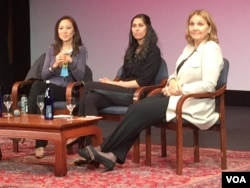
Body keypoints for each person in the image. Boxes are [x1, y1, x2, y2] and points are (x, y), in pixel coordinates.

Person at [77, 9, 224, 172]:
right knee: (136, 109)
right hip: (174, 96)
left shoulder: (212, 49)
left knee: (139, 109)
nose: (195, 28)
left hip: (192, 102)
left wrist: (179, 89)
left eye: (200, 24)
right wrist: (173, 81)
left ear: (209, 28)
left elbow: (209, 85)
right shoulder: (189, 48)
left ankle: (103, 150)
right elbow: (175, 73)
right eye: (192, 24)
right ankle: (111, 155)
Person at [77, 13, 162, 116]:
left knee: (89, 85)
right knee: (91, 98)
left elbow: (143, 81)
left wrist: (114, 84)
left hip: (137, 93)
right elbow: (123, 76)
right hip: (122, 91)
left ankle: (77, 126)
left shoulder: (154, 51)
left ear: (148, 28)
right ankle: (88, 132)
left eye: (140, 25)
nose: (136, 29)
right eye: (134, 26)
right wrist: (113, 83)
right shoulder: (131, 50)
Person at [27, 15, 87, 158]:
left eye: (68, 28)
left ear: (74, 32)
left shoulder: (81, 50)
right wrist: (54, 66)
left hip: (66, 90)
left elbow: (80, 77)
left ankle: (26, 122)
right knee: (39, 91)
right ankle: (39, 143)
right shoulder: (52, 49)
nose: (64, 31)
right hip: (49, 87)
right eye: (61, 28)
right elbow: (44, 75)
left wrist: (71, 62)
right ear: (57, 32)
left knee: (38, 88)